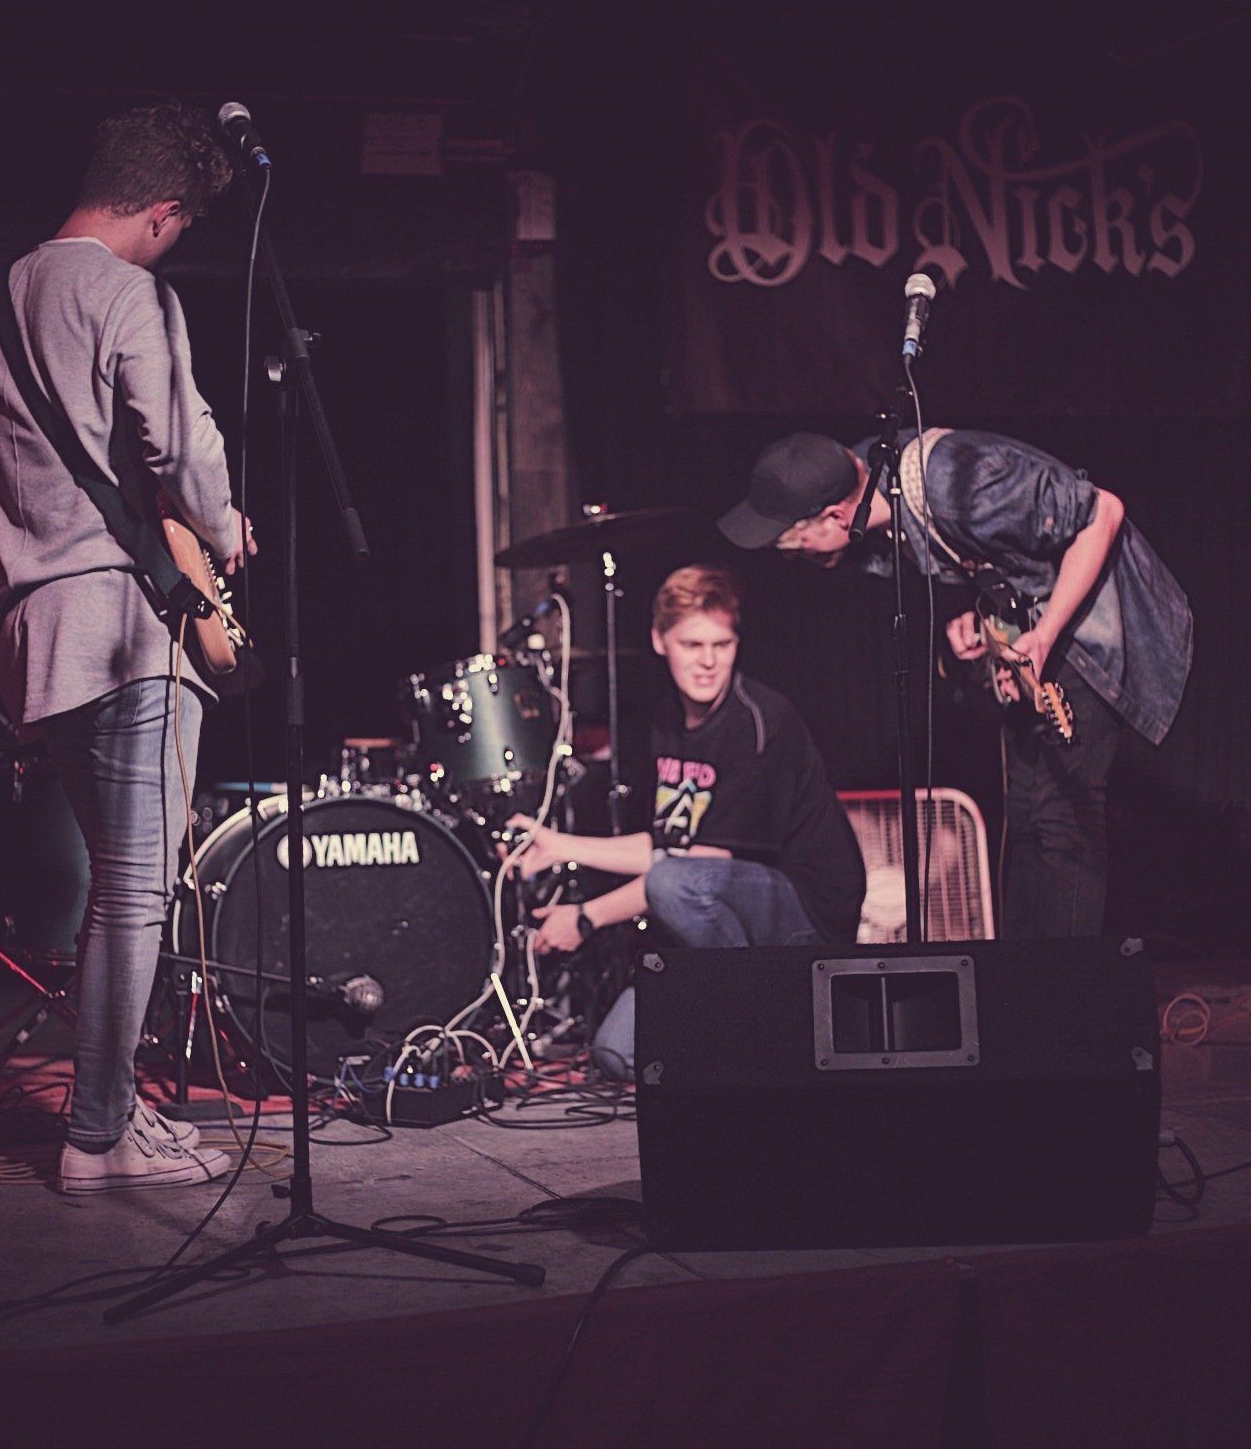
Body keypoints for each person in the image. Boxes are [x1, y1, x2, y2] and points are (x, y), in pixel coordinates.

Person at [0, 101, 256, 1191]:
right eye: (180, 228)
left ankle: (108, 1115)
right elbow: (175, 439)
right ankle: (98, 1134)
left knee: (111, 886)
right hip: (129, 630)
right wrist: (224, 531)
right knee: (138, 891)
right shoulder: (128, 291)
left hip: (34, 637)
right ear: (166, 210)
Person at [718, 427, 1193, 938]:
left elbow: (1102, 513)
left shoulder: (960, 483)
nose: (798, 555)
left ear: (835, 516)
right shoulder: (873, 482)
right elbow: (1007, 559)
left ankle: (1065, 994)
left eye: (797, 542)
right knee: (1028, 819)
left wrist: (1045, 634)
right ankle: (1025, 984)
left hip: (1090, 627)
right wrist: (985, 621)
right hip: (1037, 632)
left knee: (1063, 823)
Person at [508, 564, 866, 1079]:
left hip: (804, 920)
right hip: (716, 910)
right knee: (617, 1053)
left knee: (675, 883)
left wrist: (586, 918)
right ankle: (731, 1046)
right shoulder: (663, 721)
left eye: (721, 645)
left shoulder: (760, 722)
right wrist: (560, 844)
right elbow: (664, 845)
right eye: (691, 645)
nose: (707, 662)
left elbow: (695, 867)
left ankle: (763, 1035)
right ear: (660, 641)